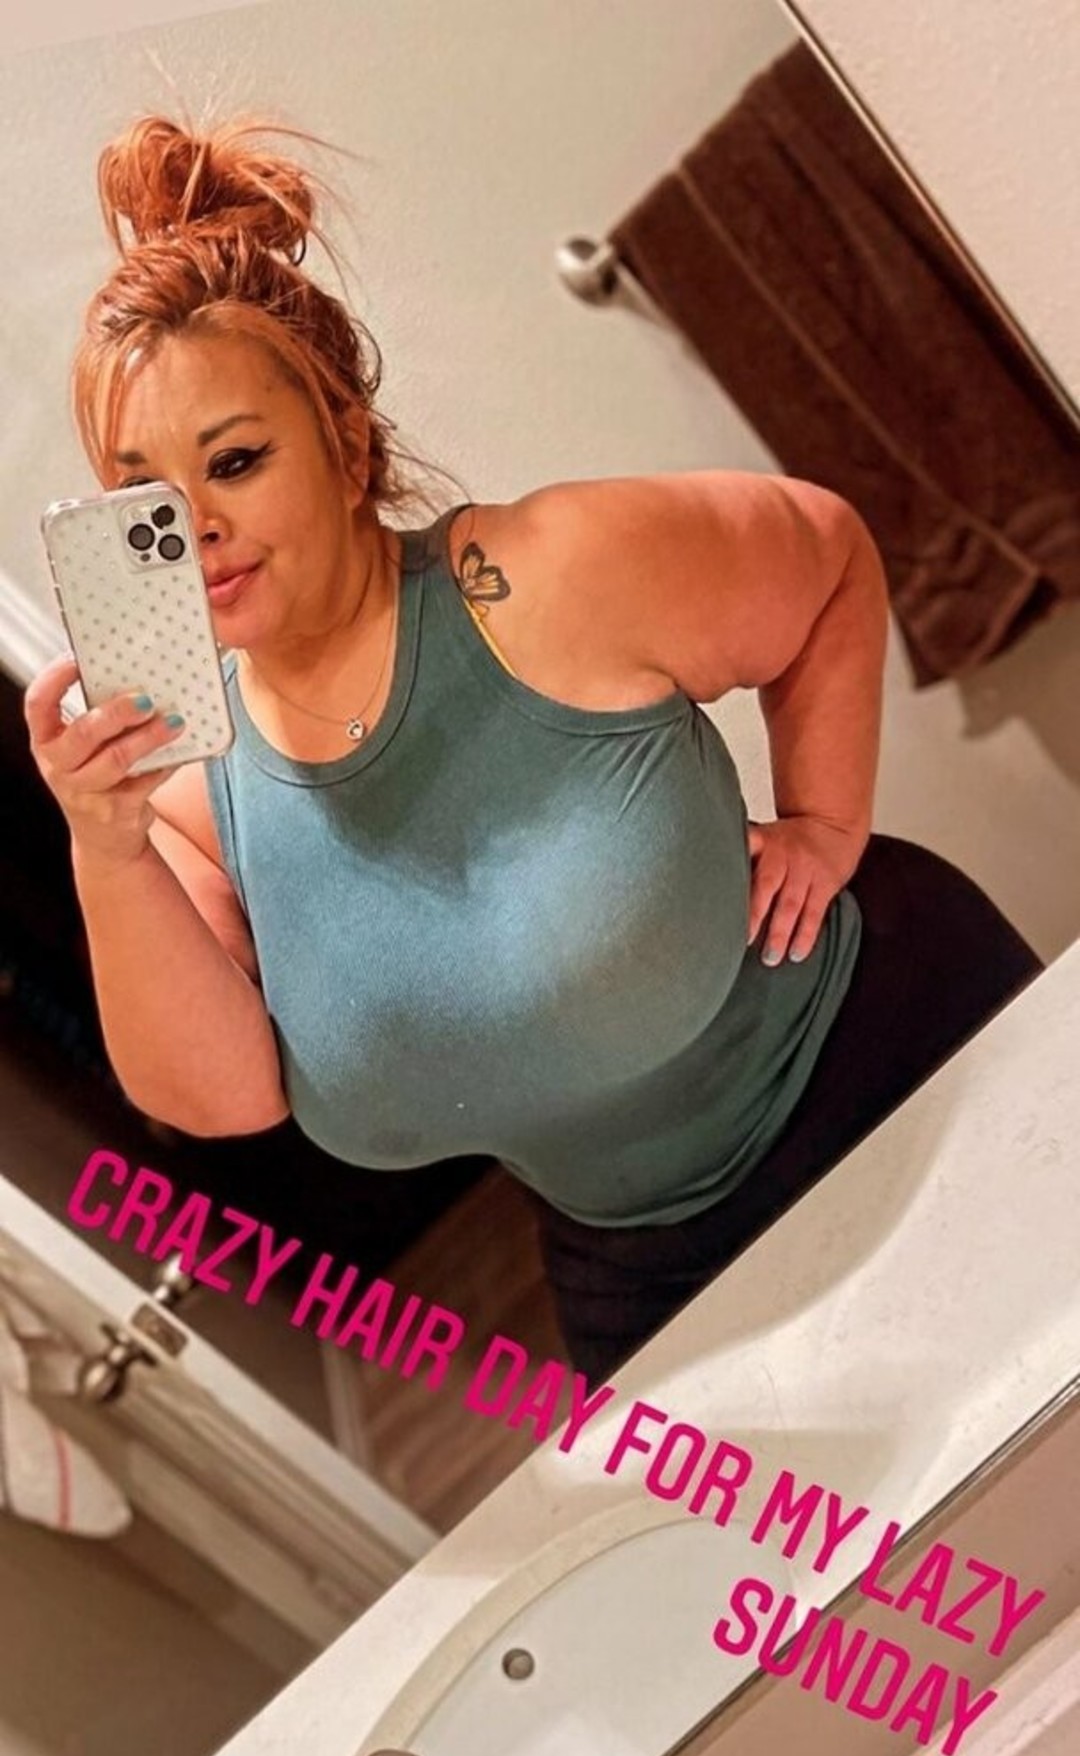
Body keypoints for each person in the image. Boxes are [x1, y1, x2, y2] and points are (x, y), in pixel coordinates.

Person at [25, 116, 1041, 1381]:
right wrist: (105, 847)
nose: (199, 526)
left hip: (899, 1063)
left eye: (235, 460)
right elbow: (220, 1098)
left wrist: (827, 825)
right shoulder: (190, 813)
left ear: (346, 445)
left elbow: (827, 553)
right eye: (148, 500)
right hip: (641, 1265)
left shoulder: (549, 575)